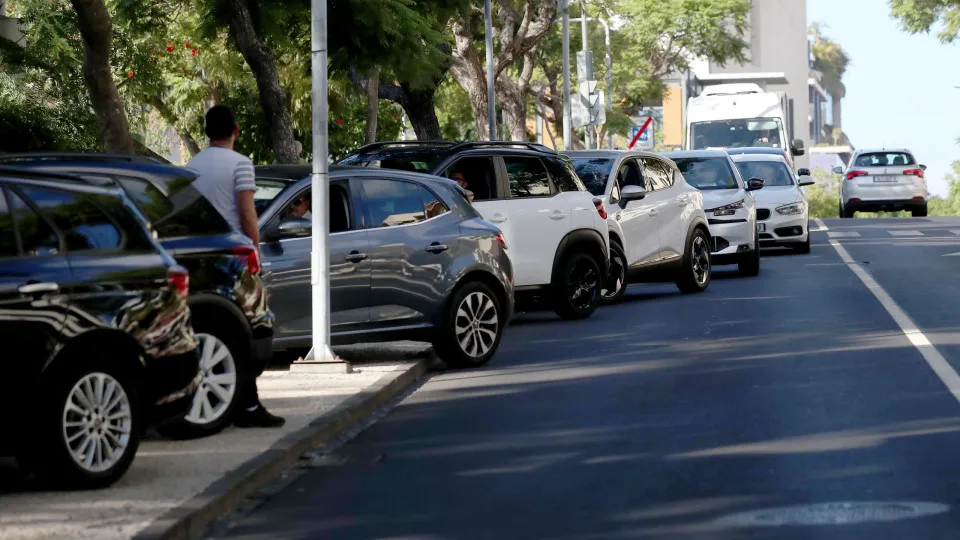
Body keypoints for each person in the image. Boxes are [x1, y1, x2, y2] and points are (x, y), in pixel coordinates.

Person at [186, 105, 285, 429]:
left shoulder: (192, 166)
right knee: (253, 328)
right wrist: (254, 253)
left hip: (197, 258)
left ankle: (232, 401)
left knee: (215, 331)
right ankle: (249, 404)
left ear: (206, 133)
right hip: (231, 258)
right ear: (236, 131)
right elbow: (247, 213)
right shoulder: (240, 164)